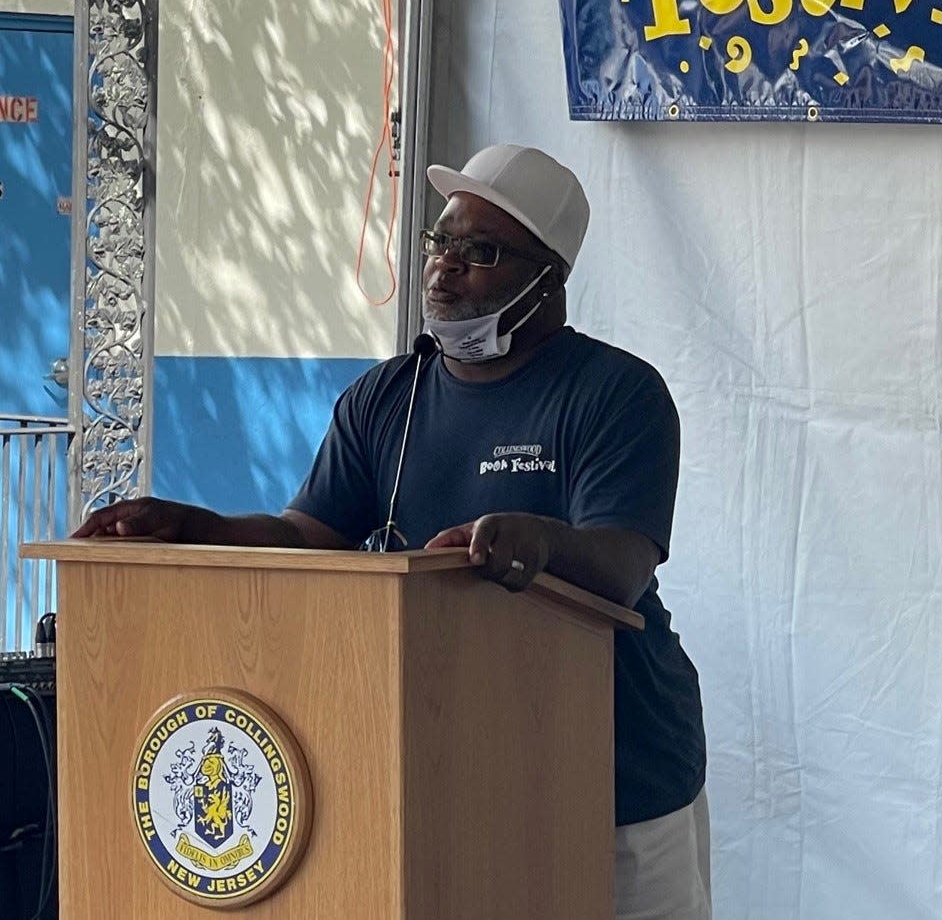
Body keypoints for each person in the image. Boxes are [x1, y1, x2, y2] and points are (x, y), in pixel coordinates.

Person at [75, 143, 710, 920]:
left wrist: (537, 540)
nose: (445, 267)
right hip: (457, 775)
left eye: (482, 251)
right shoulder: (385, 398)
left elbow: (621, 566)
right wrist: (194, 525)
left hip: (618, 774)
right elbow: (309, 534)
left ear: (550, 278)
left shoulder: (616, 393)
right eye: (440, 242)